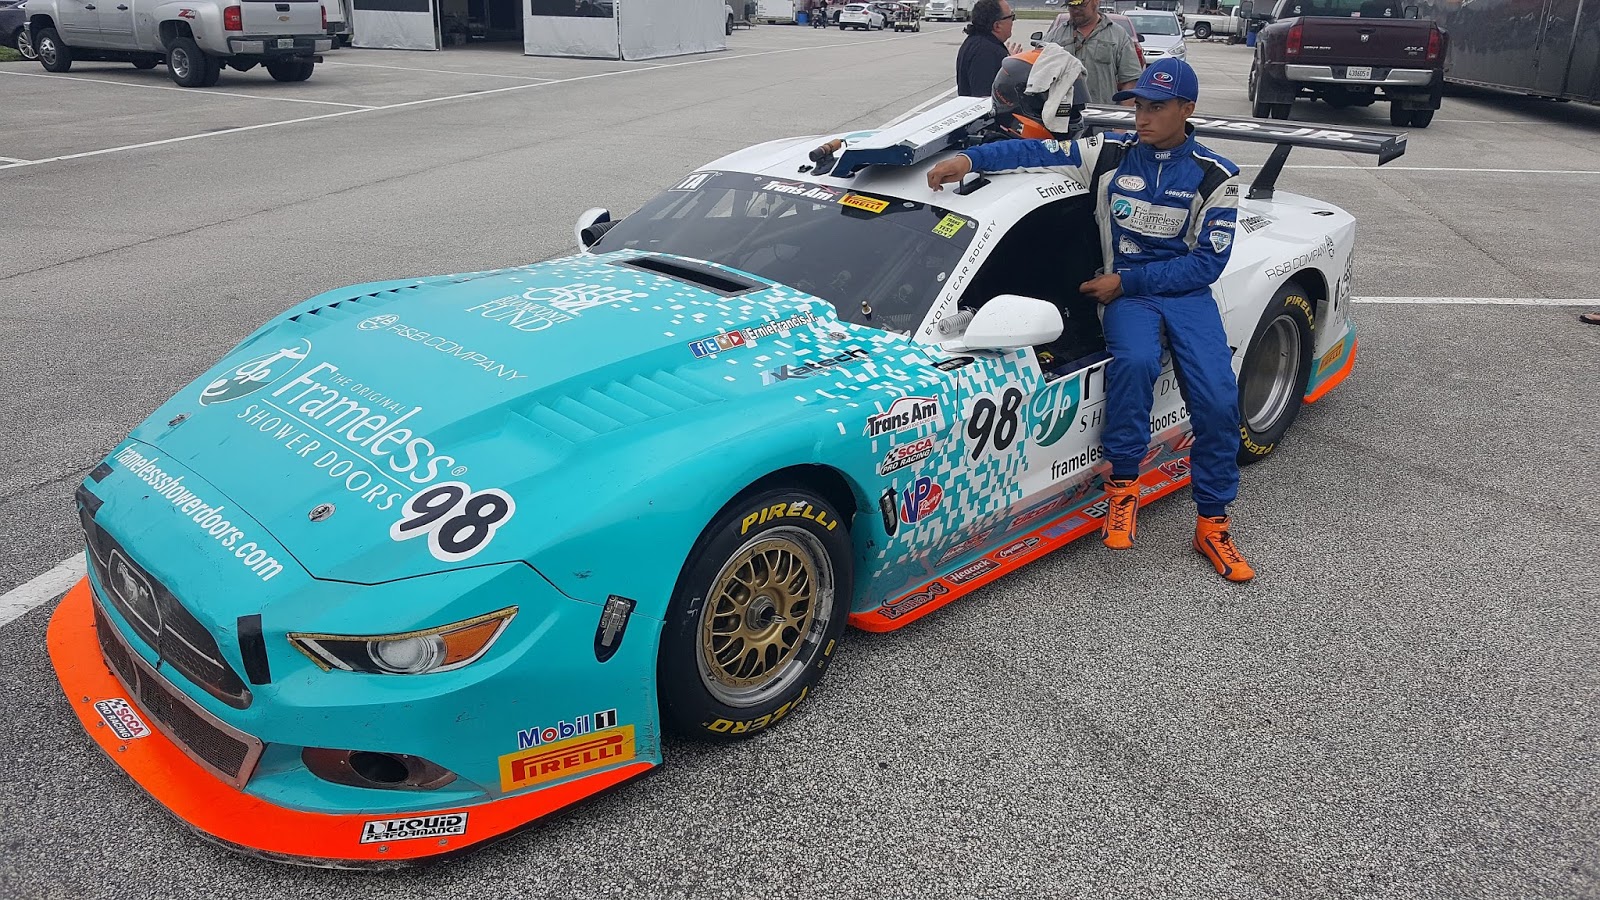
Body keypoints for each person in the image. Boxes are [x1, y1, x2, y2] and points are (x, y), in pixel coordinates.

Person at [925, 57, 1255, 582]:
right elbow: (1032, 150)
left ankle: (1212, 523)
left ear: (1187, 109)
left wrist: (1126, 282)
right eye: (1139, 106)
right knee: (1135, 364)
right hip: (1129, 299)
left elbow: (1207, 263)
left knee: (1217, 399)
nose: (1143, 118)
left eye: (1157, 108)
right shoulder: (1107, 154)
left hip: (1181, 294)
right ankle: (1124, 489)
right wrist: (968, 158)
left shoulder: (1219, 175)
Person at [1042, 0, 1142, 105]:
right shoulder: (1055, 36)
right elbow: (1038, 74)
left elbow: (1130, 81)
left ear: (1095, 2)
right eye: (1071, 6)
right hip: (1063, 116)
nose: (1075, 10)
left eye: (1081, 5)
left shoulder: (1118, 36)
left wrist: (1122, 114)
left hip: (1102, 115)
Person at [956, 0, 1015, 97]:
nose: (1012, 23)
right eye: (1011, 17)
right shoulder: (985, 51)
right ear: (997, 26)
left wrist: (1009, 63)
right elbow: (984, 97)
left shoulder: (977, 41)